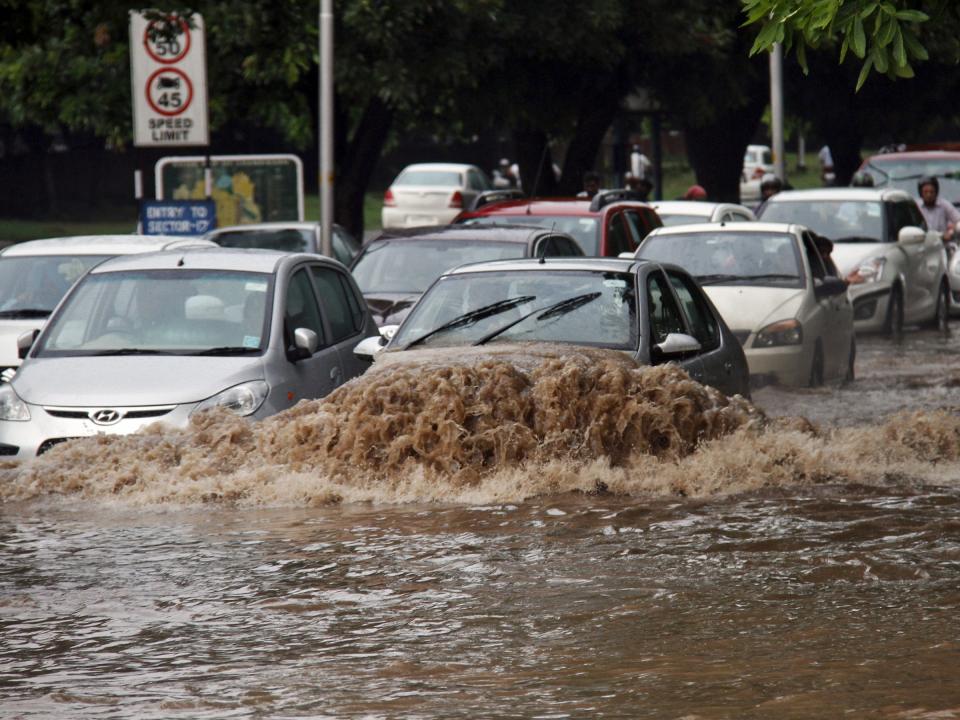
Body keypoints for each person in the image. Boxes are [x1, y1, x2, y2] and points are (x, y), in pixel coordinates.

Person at [916, 175, 960, 243]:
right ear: (921, 193)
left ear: (936, 192)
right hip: (921, 245)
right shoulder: (915, 207)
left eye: (931, 192)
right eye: (925, 192)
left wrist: (951, 232)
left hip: (942, 245)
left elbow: (958, 220)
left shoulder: (944, 205)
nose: (929, 195)